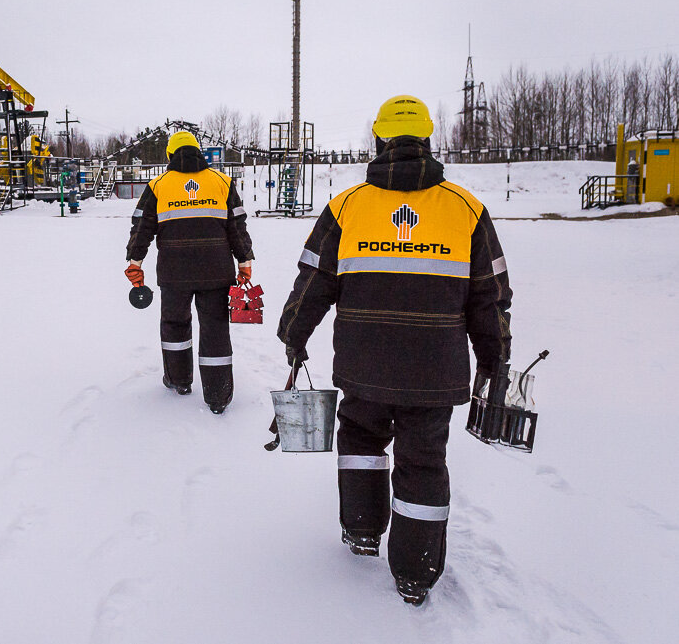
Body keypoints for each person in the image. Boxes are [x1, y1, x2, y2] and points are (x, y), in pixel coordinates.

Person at [276, 95, 512, 605]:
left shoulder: (347, 207)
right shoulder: (467, 210)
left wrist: (294, 334)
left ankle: (362, 531)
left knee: (361, 439)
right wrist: (495, 361)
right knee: (423, 462)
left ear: (380, 140)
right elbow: (490, 300)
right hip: (435, 371)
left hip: (364, 364)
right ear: (428, 139)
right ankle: (416, 572)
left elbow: (313, 281)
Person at [125, 130, 254, 414]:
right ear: (199, 152)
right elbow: (237, 225)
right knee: (215, 329)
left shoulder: (158, 185)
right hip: (217, 271)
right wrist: (244, 261)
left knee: (174, 325)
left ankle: (179, 380)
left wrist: (135, 262)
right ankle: (218, 397)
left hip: (174, 273)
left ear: (170, 155)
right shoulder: (222, 182)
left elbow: (142, 228)